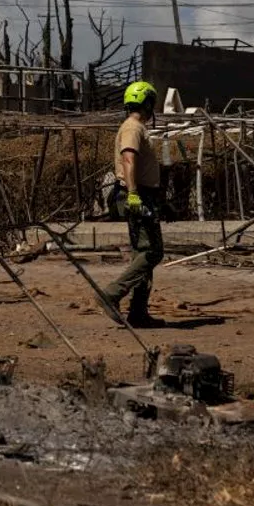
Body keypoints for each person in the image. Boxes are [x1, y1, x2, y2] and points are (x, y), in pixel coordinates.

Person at [103, 81, 165, 328]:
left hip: (142, 194)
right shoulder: (133, 128)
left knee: (142, 252)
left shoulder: (134, 127)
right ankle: (112, 294)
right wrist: (134, 194)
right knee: (152, 251)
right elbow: (129, 159)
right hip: (137, 194)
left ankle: (138, 312)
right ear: (148, 103)